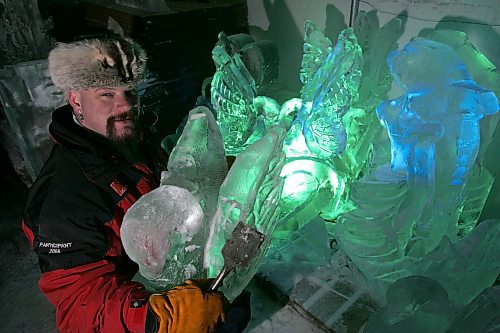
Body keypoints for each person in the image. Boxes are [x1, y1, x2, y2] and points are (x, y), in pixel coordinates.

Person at [21, 36, 250, 333]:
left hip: (173, 256)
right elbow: (79, 304)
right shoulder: (61, 201)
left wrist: (213, 175)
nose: (125, 104)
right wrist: (159, 317)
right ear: (76, 99)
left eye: (130, 91)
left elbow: (165, 179)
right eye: (106, 94)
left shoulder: (128, 138)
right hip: (133, 297)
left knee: (233, 304)